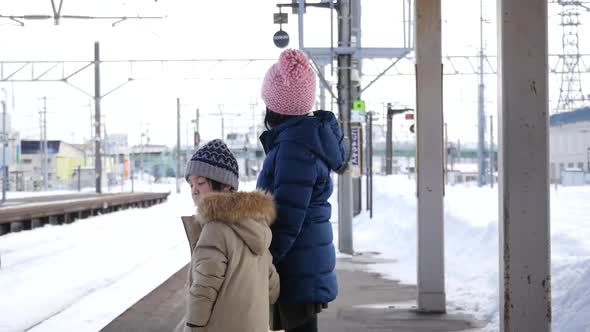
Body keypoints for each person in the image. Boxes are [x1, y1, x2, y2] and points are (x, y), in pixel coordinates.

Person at [257, 49, 348, 332]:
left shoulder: (294, 148)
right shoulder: (302, 140)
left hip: (297, 265)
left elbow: (287, 216)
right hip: (304, 263)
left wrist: (264, 260)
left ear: (277, 107)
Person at [177, 139, 280, 332]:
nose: (194, 190)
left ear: (224, 186)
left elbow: (204, 289)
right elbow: (273, 287)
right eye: (191, 184)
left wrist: (193, 327)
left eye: (200, 182)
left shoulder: (215, 229)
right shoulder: (257, 223)